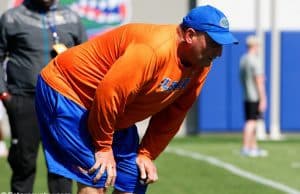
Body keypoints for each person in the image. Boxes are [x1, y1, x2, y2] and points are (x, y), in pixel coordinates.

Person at [35, 5, 238, 194]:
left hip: (112, 109)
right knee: (97, 176)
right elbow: (110, 93)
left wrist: (147, 153)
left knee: (135, 179)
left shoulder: (201, 63)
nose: (219, 52)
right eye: (213, 43)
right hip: (69, 91)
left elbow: (174, 113)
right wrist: (103, 147)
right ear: (190, 35)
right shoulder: (152, 50)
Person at [0, 0, 88, 193]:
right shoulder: (12, 18)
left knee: (63, 164)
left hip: (62, 101)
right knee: (24, 161)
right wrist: (4, 93)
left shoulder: (72, 18)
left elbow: (87, 57)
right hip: (24, 98)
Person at [240, 35, 268, 157]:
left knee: (252, 121)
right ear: (255, 46)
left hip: (246, 94)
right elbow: (259, 80)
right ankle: (246, 147)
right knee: (251, 122)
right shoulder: (254, 60)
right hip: (254, 95)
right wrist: (263, 98)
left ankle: (253, 147)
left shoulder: (243, 59)